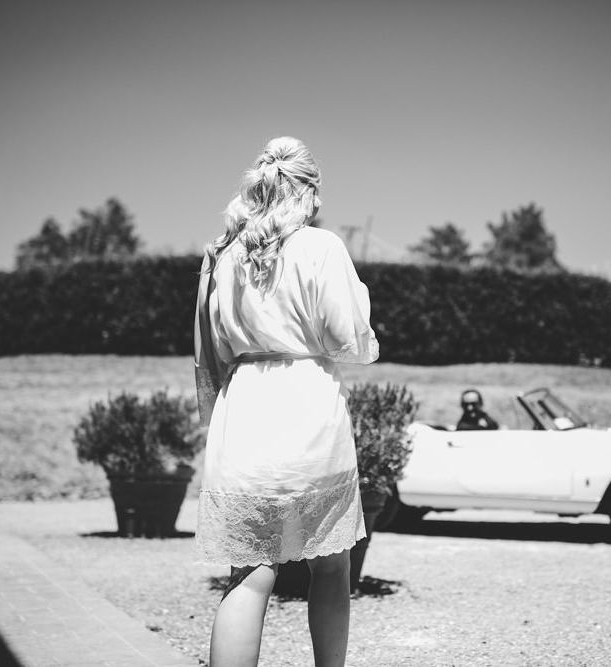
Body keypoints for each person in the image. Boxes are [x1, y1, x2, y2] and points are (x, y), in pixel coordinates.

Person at [193, 136, 379, 667]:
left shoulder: (223, 256)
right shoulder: (321, 247)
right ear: (310, 193)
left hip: (245, 404)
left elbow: (216, 347)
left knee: (249, 572)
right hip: (307, 406)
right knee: (332, 566)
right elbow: (349, 341)